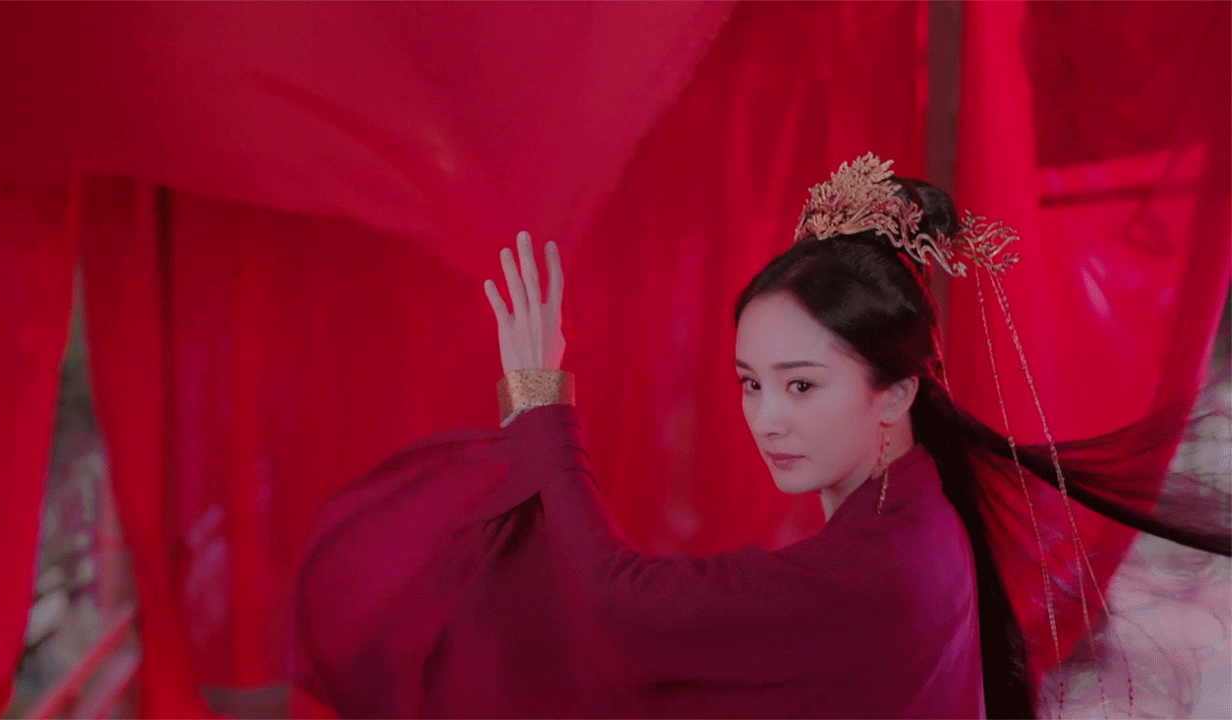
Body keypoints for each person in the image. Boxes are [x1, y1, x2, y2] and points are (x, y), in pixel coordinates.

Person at [289, 155, 1229, 719]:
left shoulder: (885, 561)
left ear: (896, 393)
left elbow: (626, 608)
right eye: (750, 383)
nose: (766, 418)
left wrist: (540, 402)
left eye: (801, 385)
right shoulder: (906, 509)